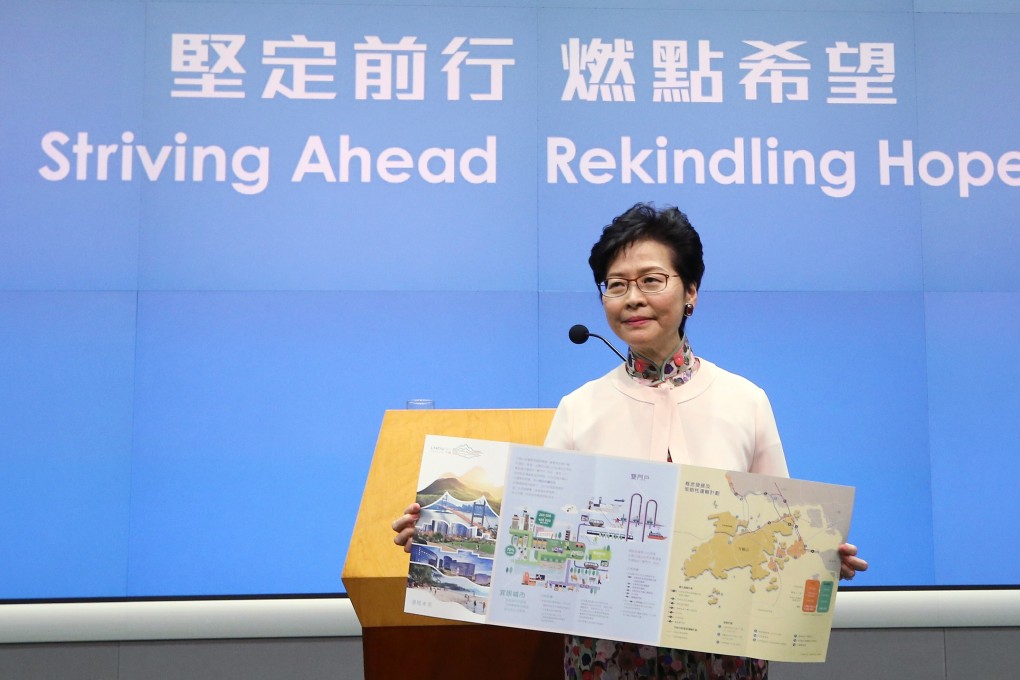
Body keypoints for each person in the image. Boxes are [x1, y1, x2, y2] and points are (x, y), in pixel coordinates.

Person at [393, 202, 868, 679]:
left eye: (651, 280)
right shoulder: (579, 407)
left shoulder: (745, 400)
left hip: (720, 653)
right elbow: (536, 536)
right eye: (616, 285)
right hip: (605, 654)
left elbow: (776, 527)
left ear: (691, 292)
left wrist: (815, 556)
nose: (632, 298)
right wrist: (441, 534)